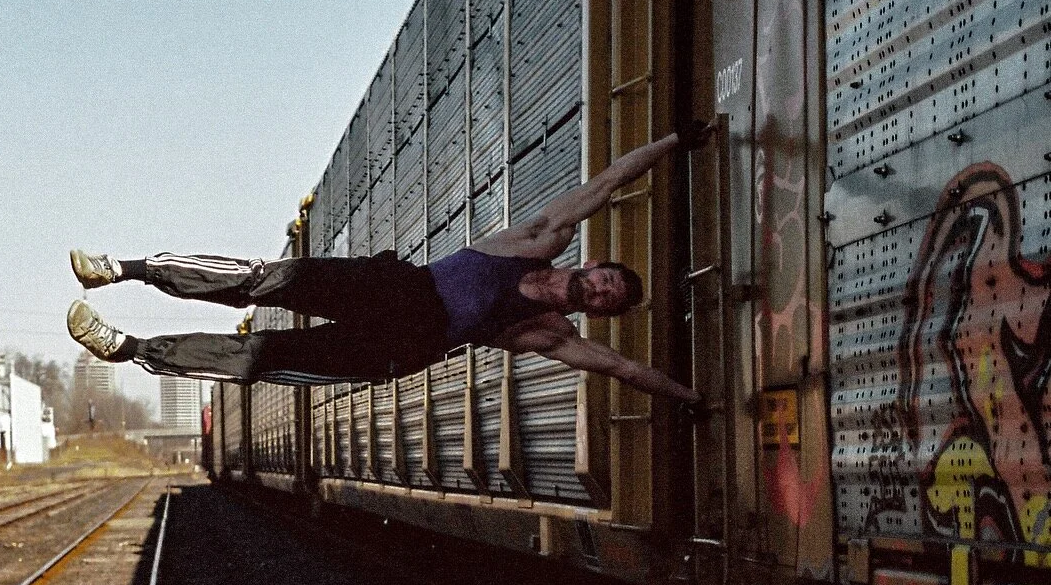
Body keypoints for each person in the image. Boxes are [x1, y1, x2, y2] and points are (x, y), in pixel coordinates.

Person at [66, 129, 704, 404]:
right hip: (396, 286)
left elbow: (624, 369)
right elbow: (610, 181)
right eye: (605, 280)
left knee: (260, 356)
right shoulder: (538, 239)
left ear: (598, 313)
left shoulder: (550, 334)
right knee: (269, 279)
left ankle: (128, 348)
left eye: (607, 300)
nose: (599, 291)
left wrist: (691, 398)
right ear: (591, 262)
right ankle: (120, 269)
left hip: (401, 347)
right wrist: (678, 141)